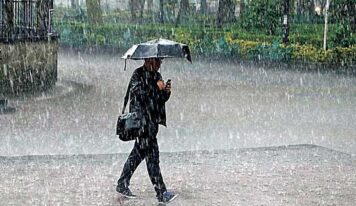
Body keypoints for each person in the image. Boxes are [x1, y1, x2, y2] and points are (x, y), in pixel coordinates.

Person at [116, 58, 177, 204]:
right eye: (157, 62)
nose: (159, 65)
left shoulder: (157, 76)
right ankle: (161, 193)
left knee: (137, 155)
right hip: (142, 124)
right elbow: (138, 94)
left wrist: (165, 92)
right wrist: (155, 87)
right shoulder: (138, 74)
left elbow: (160, 99)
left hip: (152, 123)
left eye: (160, 63)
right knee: (153, 159)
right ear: (149, 60)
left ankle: (122, 183)